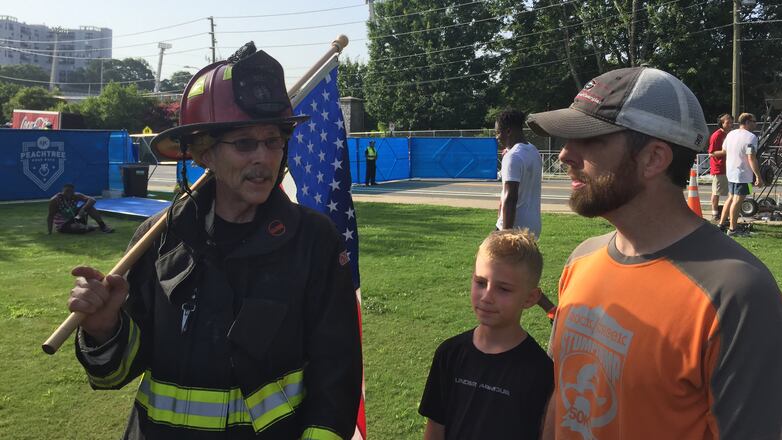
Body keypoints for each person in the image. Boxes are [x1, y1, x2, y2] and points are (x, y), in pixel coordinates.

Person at [67, 43, 362, 439]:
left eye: (273, 140)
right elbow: (112, 375)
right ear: (203, 153)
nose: (263, 157)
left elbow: (336, 374)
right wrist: (105, 329)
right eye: (243, 144)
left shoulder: (314, 241)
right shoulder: (157, 240)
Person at [527, 67, 782, 440]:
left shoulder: (739, 296)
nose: (565, 154)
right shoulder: (580, 262)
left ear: (654, 158)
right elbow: (563, 393)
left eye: (589, 139)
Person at [419, 229, 554, 440]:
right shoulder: (449, 354)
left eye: (504, 289)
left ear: (530, 298)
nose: (487, 297)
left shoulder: (540, 370)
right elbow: (435, 427)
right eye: (481, 283)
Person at [494, 109, 542, 238]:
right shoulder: (533, 151)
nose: (497, 137)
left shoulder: (513, 157)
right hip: (532, 226)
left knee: (488, 257)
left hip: (514, 228)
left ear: (508, 131)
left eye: (498, 132)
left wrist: (506, 233)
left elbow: (510, 198)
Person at [717, 112, 763, 237]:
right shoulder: (751, 137)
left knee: (731, 198)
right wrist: (758, 176)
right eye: (754, 121)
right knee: (737, 200)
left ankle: (721, 225)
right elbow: (751, 158)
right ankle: (732, 229)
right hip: (742, 174)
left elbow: (724, 150)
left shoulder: (731, 134)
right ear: (747, 122)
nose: (756, 124)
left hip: (731, 172)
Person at [47, 183, 114, 234]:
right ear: (62, 191)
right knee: (80, 229)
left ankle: (103, 226)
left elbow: (92, 200)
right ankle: (91, 227)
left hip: (76, 217)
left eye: (71, 191)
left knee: (89, 207)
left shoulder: (76, 196)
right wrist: (50, 232)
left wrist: (83, 209)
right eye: (67, 191)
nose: (69, 193)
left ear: (73, 191)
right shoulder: (55, 200)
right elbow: (50, 216)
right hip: (64, 223)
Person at [707, 113, 732, 220]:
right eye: (728, 122)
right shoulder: (716, 135)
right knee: (716, 192)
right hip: (719, 168)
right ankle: (715, 213)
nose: (731, 124)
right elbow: (711, 153)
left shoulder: (730, 134)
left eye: (731, 122)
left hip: (730, 168)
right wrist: (726, 152)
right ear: (721, 124)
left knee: (732, 192)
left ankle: (730, 212)